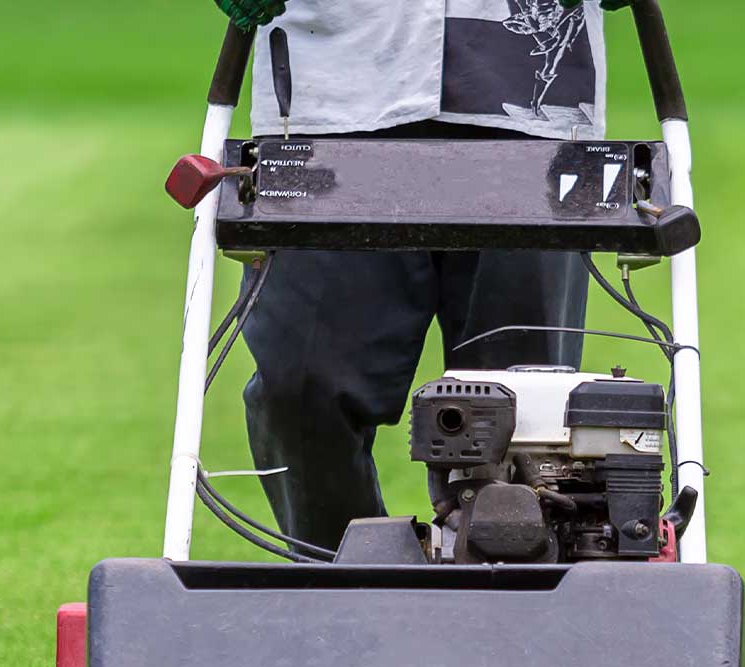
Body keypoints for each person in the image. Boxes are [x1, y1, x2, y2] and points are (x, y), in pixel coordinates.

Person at [213, 0, 629, 549]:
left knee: (525, 407)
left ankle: (505, 583)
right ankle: (344, 584)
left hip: (526, 98)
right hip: (327, 95)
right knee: (301, 386)